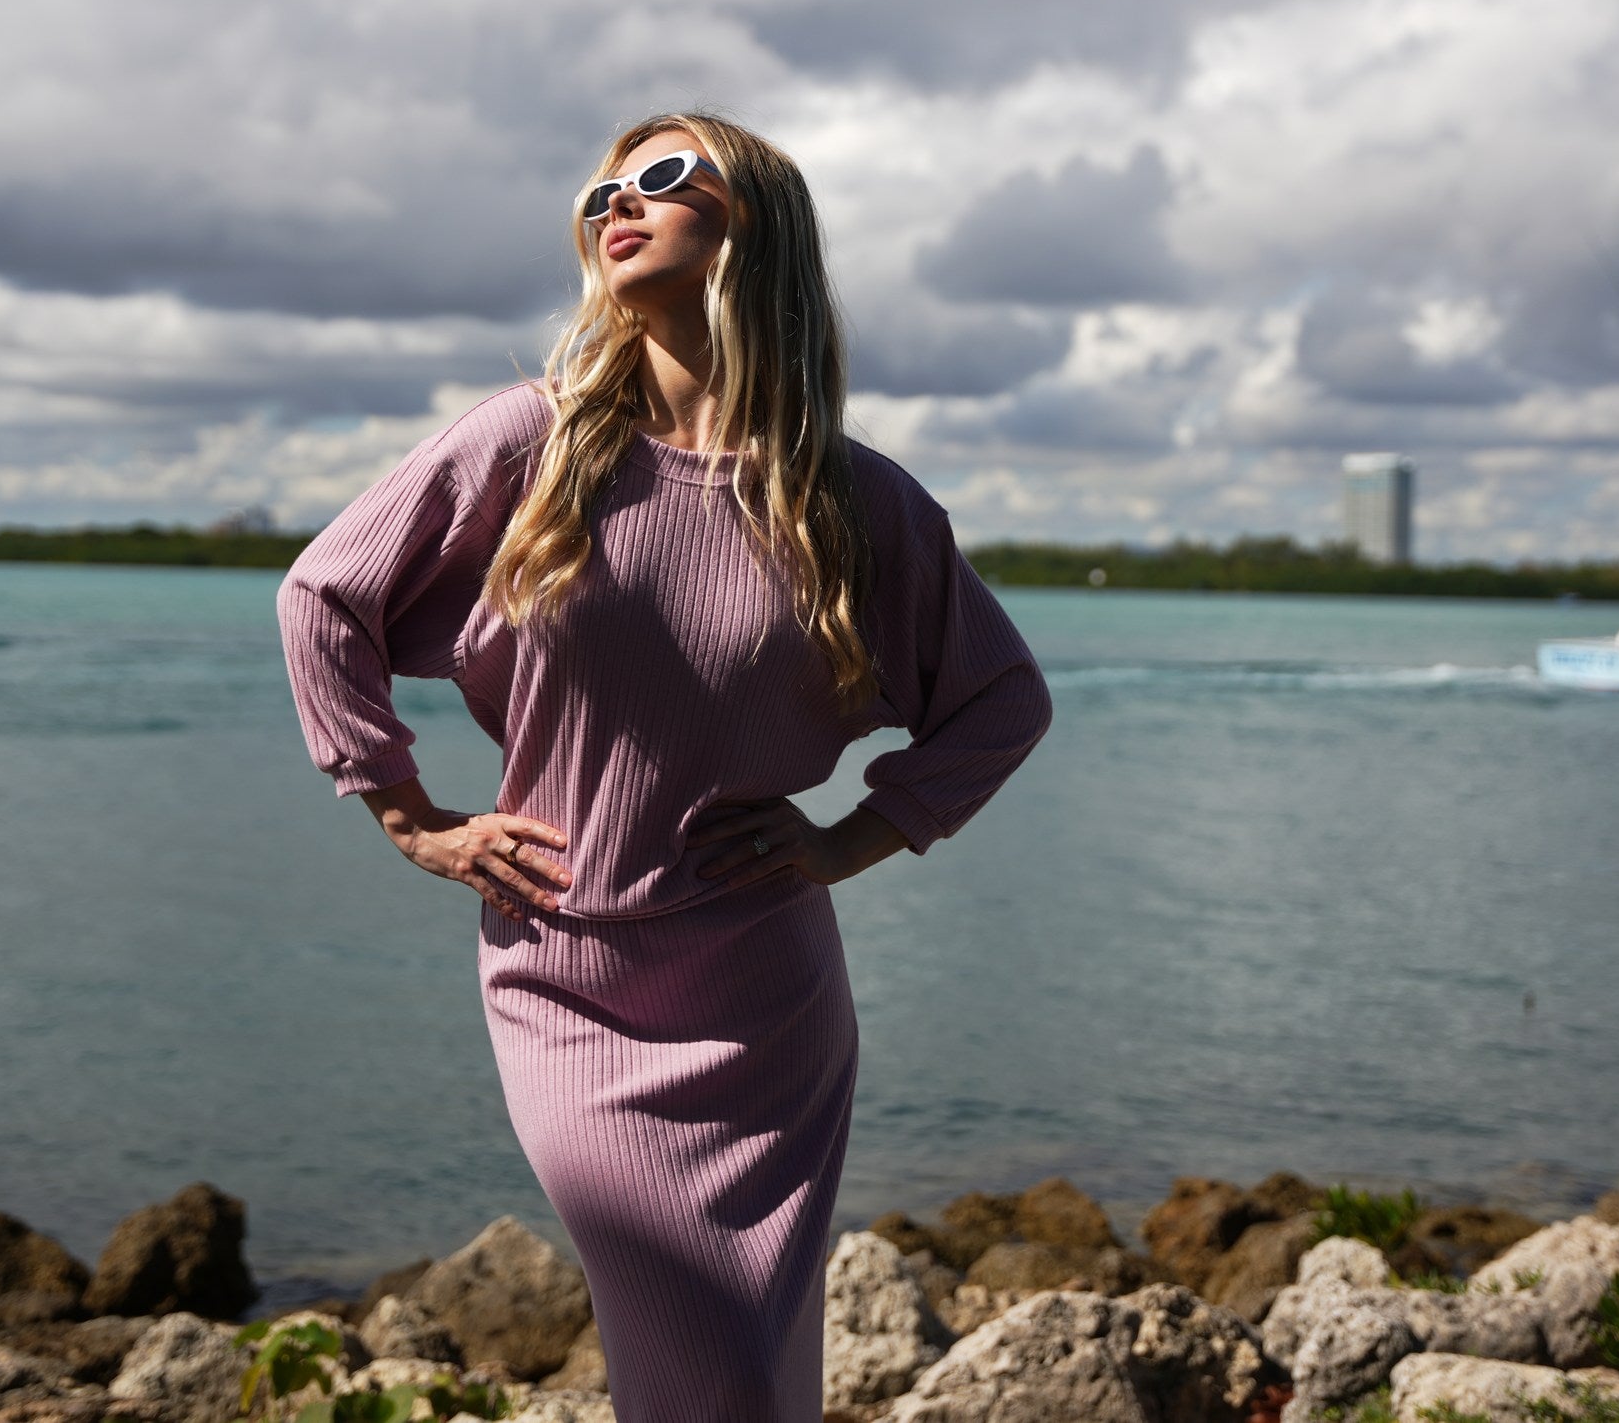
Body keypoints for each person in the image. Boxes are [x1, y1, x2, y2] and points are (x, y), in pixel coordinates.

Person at [276, 111, 1051, 1419]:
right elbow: (322, 599)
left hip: (766, 1001)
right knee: (699, 1352)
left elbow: (1002, 698)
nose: (618, 203)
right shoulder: (526, 445)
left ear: (754, 224)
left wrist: (849, 842)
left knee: (750, 1371)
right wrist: (410, 819)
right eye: (604, 189)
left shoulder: (854, 501)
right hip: (565, 976)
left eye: (663, 177)